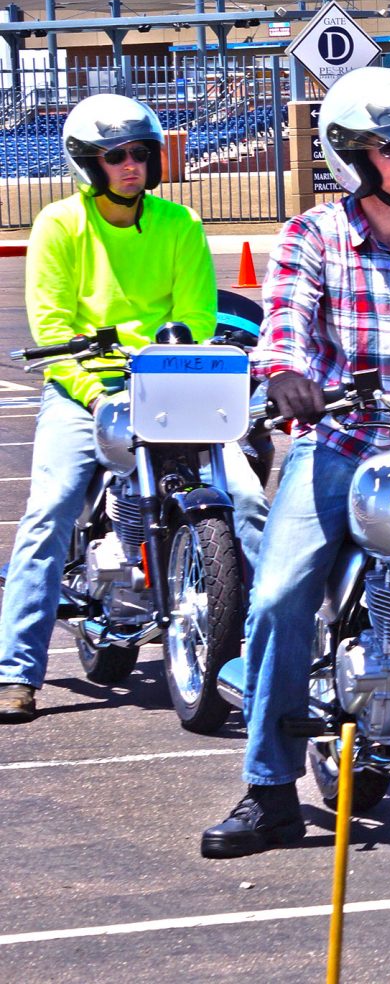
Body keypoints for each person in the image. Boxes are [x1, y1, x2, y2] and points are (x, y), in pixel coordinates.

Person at [200, 67, 390, 856]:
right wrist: (286, 375)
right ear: (352, 158)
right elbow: (284, 320)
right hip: (341, 443)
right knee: (277, 596)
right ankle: (269, 788)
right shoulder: (314, 235)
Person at [0, 95, 266, 724]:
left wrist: (166, 363)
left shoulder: (179, 224)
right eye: (115, 155)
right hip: (83, 387)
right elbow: (52, 324)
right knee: (51, 510)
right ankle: (16, 671)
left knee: (252, 502)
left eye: (140, 153)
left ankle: (272, 654)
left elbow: (197, 318)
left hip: (171, 386)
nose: (131, 165)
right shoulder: (59, 225)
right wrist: (95, 392)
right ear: (87, 164)